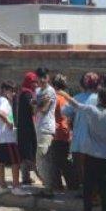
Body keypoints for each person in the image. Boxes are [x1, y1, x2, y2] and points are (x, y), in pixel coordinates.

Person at [65, 87, 106, 211]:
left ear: (99, 98)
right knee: (105, 188)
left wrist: (63, 93)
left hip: (90, 155)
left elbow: (75, 104)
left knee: (88, 187)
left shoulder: (91, 110)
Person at [66, 72, 101, 193]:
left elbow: (65, 111)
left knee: (81, 168)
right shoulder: (101, 98)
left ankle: (85, 191)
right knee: (95, 169)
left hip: (80, 139)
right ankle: (95, 192)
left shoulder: (77, 98)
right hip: (97, 140)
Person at [33, 68, 59, 198]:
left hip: (46, 128)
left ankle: (49, 189)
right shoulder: (38, 91)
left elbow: (43, 109)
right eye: (40, 77)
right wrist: (37, 103)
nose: (42, 80)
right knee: (42, 159)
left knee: (42, 157)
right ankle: (47, 187)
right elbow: (34, 107)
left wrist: (37, 104)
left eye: (44, 77)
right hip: (39, 127)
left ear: (48, 78)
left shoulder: (50, 91)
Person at [50, 74, 74, 191]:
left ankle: (58, 185)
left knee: (56, 161)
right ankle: (71, 184)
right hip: (66, 131)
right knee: (64, 160)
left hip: (58, 132)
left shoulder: (55, 98)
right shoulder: (67, 97)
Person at [15, 72, 39, 186]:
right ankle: (40, 177)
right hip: (28, 128)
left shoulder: (23, 93)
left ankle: (26, 177)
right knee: (30, 152)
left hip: (24, 128)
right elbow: (33, 109)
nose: (35, 84)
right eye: (33, 82)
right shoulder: (27, 94)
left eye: (36, 82)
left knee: (26, 152)